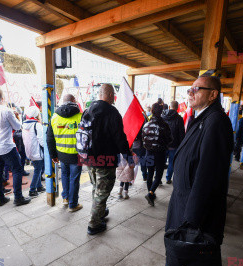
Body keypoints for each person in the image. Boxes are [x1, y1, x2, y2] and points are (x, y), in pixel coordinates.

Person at [136, 76, 233, 266]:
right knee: (179, 245)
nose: (189, 93)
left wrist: (194, 214)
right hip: (185, 198)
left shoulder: (216, 121)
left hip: (196, 204)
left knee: (196, 249)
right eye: (188, 89)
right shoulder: (202, 118)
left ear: (213, 94)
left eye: (195, 89)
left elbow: (210, 171)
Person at [85, 84, 132, 235]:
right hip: (106, 160)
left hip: (89, 158)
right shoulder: (112, 113)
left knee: (96, 187)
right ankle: (94, 223)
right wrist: (128, 156)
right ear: (111, 95)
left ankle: (100, 211)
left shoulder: (88, 110)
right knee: (102, 191)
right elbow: (120, 138)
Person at [0, 88, 30, 207]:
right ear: (2, 98)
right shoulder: (6, 111)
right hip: (6, 146)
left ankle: (0, 198)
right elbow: (18, 126)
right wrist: (16, 116)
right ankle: (18, 197)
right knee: (17, 170)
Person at [47, 94, 83, 212]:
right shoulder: (80, 117)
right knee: (74, 179)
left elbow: (49, 139)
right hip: (77, 155)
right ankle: (73, 204)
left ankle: (66, 199)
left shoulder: (54, 118)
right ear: (73, 101)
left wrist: (53, 155)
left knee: (65, 176)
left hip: (61, 154)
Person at [142, 103, 172, 206]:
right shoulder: (164, 125)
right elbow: (170, 139)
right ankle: (150, 193)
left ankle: (151, 193)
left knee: (150, 174)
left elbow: (143, 139)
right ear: (161, 111)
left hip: (148, 153)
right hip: (160, 153)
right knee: (158, 175)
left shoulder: (146, 125)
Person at [22, 106, 45, 197]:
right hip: (37, 152)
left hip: (29, 151)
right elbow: (41, 141)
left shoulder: (24, 125)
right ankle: (32, 190)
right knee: (38, 170)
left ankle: (39, 186)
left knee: (37, 169)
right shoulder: (37, 125)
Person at [162, 100, 185, 184]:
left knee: (162, 161)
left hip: (163, 144)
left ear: (169, 107)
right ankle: (168, 178)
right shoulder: (179, 119)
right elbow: (181, 133)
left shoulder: (162, 116)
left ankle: (159, 178)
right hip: (174, 144)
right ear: (177, 108)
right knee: (172, 162)